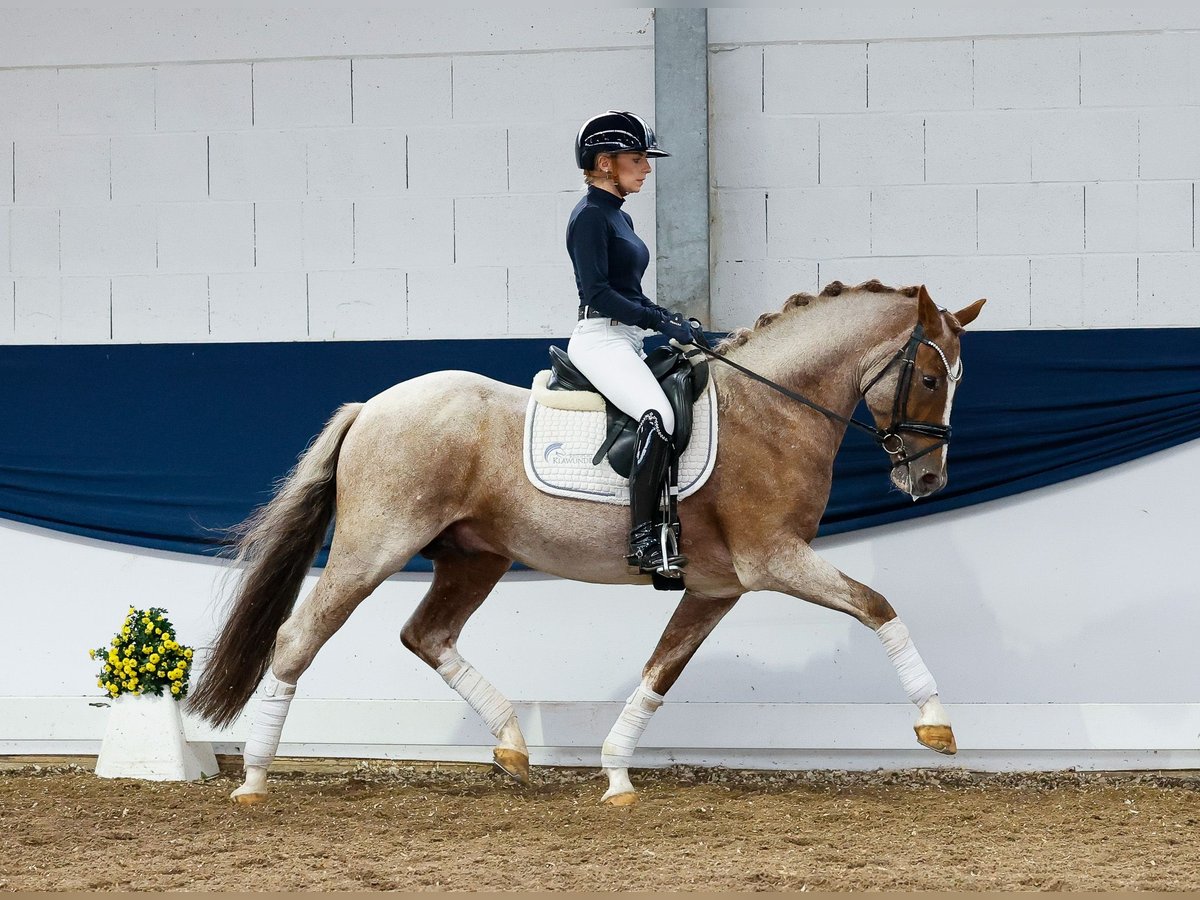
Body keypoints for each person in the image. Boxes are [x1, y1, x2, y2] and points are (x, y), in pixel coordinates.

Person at [565, 110, 695, 575]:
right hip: (600, 338)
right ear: (605, 163)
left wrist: (669, 320)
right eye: (638, 158)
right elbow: (598, 293)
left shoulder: (620, 218)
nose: (647, 168)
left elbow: (630, 294)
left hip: (625, 337)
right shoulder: (589, 219)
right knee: (656, 416)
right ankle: (642, 539)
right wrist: (660, 321)